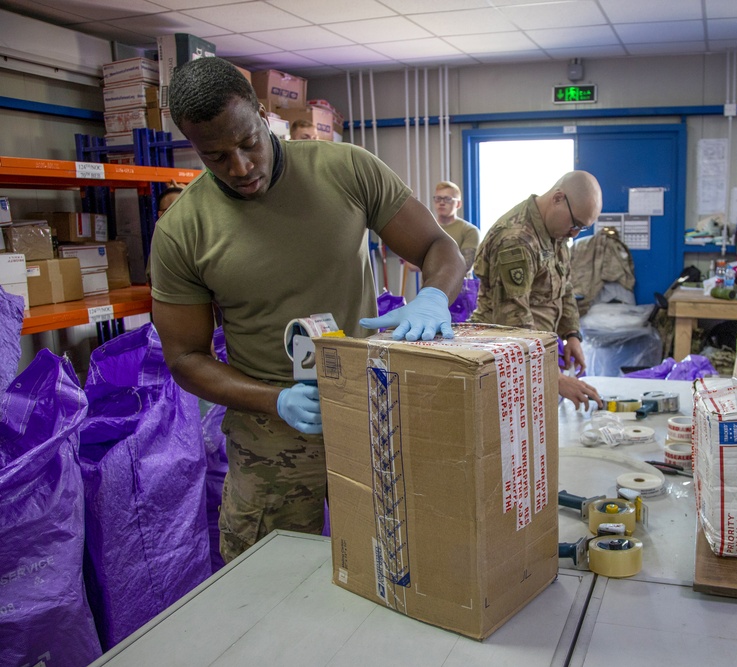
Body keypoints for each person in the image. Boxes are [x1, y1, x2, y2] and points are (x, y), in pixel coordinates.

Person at [149, 57, 465, 562]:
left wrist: (432, 296)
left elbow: (438, 248)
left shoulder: (345, 170)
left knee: (391, 567)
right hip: (271, 438)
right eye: (216, 157)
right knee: (265, 587)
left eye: (248, 142)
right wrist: (276, 401)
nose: (241, 168)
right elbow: (185, 358)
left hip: (368, 416)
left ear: (260, 112)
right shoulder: (183, 231)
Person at [470, 171, 604, 410]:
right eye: (575, 225)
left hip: (536, 357)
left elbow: (565, 286)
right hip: (504, 362)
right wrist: (554, 378)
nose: (574, 234)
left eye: (581, 229)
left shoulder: (556, 232)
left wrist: (571, 333)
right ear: (558, 198)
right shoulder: (516, 240)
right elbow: (513, 325)